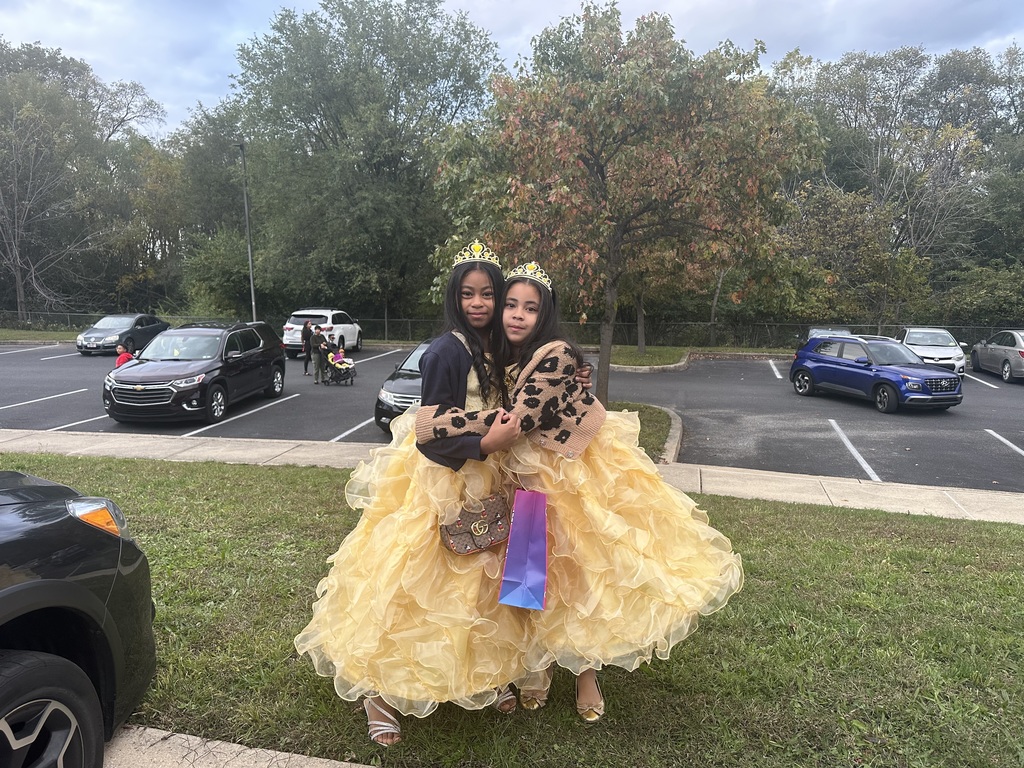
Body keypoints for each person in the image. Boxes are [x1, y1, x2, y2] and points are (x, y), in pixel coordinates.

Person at [416, 261, 744, 722]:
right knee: (530, 574)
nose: (515, 314)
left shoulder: (557, 354)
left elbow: (518, 420)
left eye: (529, 308)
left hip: (563, 480)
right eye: (509, 304)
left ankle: (586, 672)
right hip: (521, 479)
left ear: (545, 314)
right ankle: (539, 666)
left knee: (577, 574)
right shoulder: (498, 350)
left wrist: (436, 421)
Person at [294, 240, 531, 747]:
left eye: (488, 294)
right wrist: (485, 444)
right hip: (444, 480)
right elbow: (432, 432)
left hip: (489, 478)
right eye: (467, 295)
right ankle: (377, 690)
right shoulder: (446, 351)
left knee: (482, 582)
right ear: (454, 298)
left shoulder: (498, 349)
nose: (478, 304)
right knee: (414, 578)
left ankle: (486, 671)